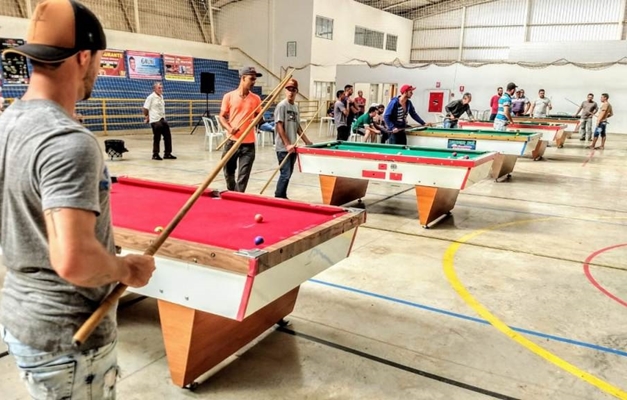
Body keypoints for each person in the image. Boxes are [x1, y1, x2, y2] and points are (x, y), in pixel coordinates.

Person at [0, 1, 156, 398]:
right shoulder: (69, 141)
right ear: (83, 56)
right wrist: (127, 269)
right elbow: (74, 260)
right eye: (100, 61)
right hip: (68, 337)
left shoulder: (7, 123)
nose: (99, 72)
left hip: (21, 318)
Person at [219, 66, 262, 192]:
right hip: (232, 141)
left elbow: (259, 117)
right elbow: (221, 116)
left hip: (248, 145)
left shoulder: (256, 99)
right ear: (243, 78)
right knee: (228, 170)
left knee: (243, 176)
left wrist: (256, 120)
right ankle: (232, 193)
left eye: (255, 79)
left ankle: (238, 197)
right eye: (251, 79)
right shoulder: (229, 96)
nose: (254, 82)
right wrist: (229, 127)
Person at [273, 78, 312, 199]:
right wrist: (287, 144)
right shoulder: (281, 106)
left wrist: (307, 141)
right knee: (285, 174)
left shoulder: (295, 107)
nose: (291, 92)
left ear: (296, 91)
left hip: (293, 147)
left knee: (288, 174)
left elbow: (297, 126)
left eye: (293, 90)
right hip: (283, 147)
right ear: (285, 90)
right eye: (289, 89)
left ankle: (283, 195)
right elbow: (279, 125)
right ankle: (279, 196)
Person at [143, 82, 176, 160]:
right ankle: (155, 154)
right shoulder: (150, 97)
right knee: (157, 137)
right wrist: (147, 116)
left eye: (161, 88)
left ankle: (167, 153)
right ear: (154, 89)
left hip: (162, 119)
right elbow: (145, 108)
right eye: (159, 88)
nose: (161, 89)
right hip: (155, 120)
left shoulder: (161, 97)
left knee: (168, 136)